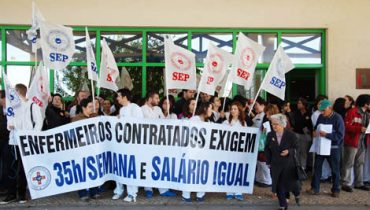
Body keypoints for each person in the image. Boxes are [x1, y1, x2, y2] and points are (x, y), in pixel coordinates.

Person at [1, 84, 43, 204]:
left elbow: (38, 123)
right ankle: (11, 194)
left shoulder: (32, 105)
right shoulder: (13, 107)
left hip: (26, 141)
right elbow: (9, 123)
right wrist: (10, 126)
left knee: (23, 169)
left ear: (19, 92)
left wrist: (31, 136)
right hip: (13, 141)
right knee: (10, 168)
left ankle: (21, 194)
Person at [141, 91, 176, 198]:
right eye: (156, 98)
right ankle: (148, 189)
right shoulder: (141, 109)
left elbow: (164, 121)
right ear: (150, 98)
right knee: (147, 164)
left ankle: (163, 190)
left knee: (159, 164)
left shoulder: (158, 109)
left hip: (158, 142)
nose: (158, 100)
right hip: (146, 142)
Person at [307, 99, 344, 198]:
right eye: (321, 111)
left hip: (333, 148)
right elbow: (315, 128)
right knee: (317, 167)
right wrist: (314, 132)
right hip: (321, 147)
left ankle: (336, 190)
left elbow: (340, 135)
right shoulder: (320, 116)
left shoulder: (338, 118)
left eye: (324, 110)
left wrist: (327, 135)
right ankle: (315, 188)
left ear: (330, 108)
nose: (322, 112)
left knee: (335, 169)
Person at [112, 88, 144, 202]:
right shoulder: (121, 110)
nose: (117, 98)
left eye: (118, 96)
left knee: (131, 168)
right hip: (121, 144)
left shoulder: (135, 108)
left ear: (125, 97)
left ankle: (132, 193)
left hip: (132, 145)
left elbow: (139, 125)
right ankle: (119, 191)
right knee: (120, 167)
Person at [265, 114, 299, 210]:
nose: (274, 126)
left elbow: (297, 148)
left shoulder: (291, 135)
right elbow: (267, 149)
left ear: (283, 124)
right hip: (275, 164)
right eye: (272, 124)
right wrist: (268, 162)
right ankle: (283, 205)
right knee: (278, 185)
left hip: (288, 165)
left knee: (287, 184)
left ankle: (292, 195)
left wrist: (289, 151)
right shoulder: (270, 135)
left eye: (276, 124)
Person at [71, 98, 102, 201]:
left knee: (94, 169)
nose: (92, 108)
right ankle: (83, 193)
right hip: (81, 149)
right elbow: (72, 135)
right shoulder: (76, 119)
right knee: (82, 170)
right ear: (83, 107)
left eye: (93, 106)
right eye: (90, 107)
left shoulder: (96, 117)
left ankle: (94, 191)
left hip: (94, 148)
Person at [182, 102, 213, 202]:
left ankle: (200, 194)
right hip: (193, 152)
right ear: (204, 109)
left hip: (203, 153)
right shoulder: (194, 119)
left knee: (202, 172)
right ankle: (186, 194)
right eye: (210, 108)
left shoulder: (208, 122)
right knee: (190, 172)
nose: (211, 111)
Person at [341, 94, 370, 192]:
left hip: (363, 141)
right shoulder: (352, 112)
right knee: (349, 163)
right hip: (352, 141)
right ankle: (345, 183)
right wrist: (359, 129)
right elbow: (346, 126)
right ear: (366, 103)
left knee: (360, 163)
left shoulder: (367, 113)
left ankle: (359, 183)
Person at [223, 101, 246, 201]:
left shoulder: (243, 123)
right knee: (228, 170)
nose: (232, 111)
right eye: (231, 109)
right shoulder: (226, 122)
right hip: (228, 151)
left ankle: (238, 192)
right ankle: (229, 192)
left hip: (239, 152)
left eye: (235, 109)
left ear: (239, 111)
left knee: (238, 171)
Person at [292, 97, 313, 170]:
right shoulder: (296, 112)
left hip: (305, 135)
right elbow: (294, 122)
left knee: (304, 151)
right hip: (297, 133)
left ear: (304, 105)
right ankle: (297, 167)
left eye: (300, 103)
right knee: (297, 150)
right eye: (298, 103)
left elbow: (311, 124)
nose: (298, 104)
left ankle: (303, 167)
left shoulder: (309, 113)